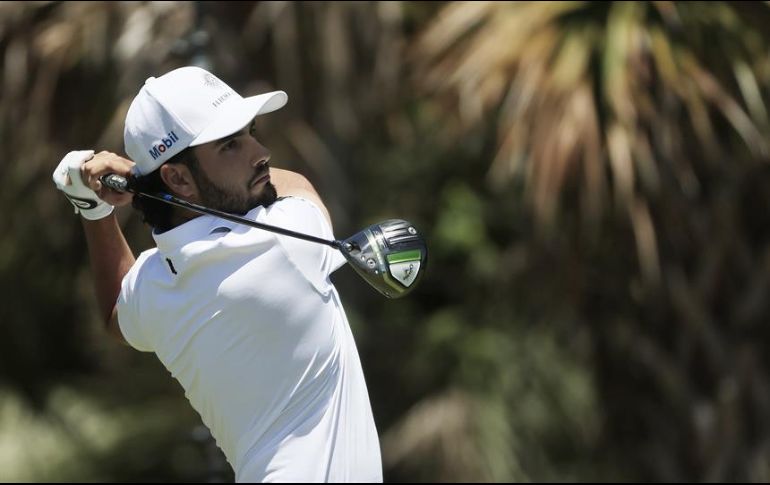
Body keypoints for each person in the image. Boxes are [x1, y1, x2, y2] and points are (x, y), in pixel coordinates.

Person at [51, 66, 382, 483]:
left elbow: (116, 311)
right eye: (230, 145)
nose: (259, 151)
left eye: (251, 132)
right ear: (179, 178)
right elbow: (299, 186)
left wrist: (94, 207)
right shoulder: (285, 244)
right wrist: (139, 174)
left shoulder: (156, 286)